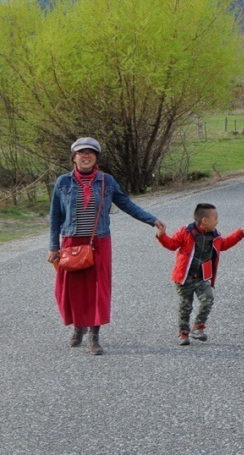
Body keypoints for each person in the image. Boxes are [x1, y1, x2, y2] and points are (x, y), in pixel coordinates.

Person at [48, 137, 166, 355]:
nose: (86, 156)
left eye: (90, 153)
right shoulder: (63, 182)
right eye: (81, 153)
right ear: (74, 157)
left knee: (97, 290)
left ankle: (94, 336)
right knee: (71, 290)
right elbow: (55, 216)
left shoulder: (106, 181)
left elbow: (126, 204)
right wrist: (53, 247)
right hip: (71, 242)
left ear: (96, 158)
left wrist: (151, 219)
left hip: (99, 242)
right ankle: (78, 327)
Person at [155, 202, 244, 345]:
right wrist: (162, 236)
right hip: (185, 277)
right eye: (215, 218)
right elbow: (172, 244)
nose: (217, 221)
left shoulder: (214, 235)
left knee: (208, 299)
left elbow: (224, 244)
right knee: (186, 306)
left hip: (202, 276)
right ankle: (183, 333)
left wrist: (239, 234)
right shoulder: (186, 232)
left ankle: (198, 327)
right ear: (204, 220)